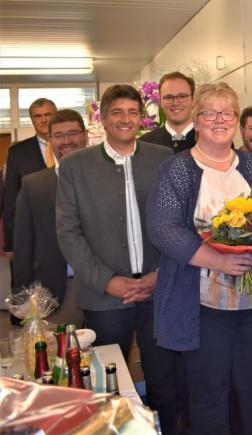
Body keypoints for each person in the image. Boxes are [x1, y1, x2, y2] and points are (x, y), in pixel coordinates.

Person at [146, 82, 252, 435]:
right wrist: (219, 260)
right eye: (210, 113)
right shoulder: (176, 170)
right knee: (209, 395)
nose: (219, 120)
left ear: (236, 120)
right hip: (203, 307)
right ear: (196, 119)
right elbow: (163, 229)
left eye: (228, 113)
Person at [55, 84, 178, 434]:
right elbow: (68, 232)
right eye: (117, 112)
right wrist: (107, 280)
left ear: (141, 118)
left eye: (132, 112)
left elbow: (179, 221)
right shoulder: (75, 166)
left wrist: (161, 273)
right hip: (105, 297)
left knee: (165, 379)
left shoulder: (162, 159)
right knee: (108, 384)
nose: (125, 119)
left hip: (159, 290)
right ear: (104, 119)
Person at [12, 109, 88, 327]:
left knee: (109, 345)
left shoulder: (107, 179)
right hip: (55, 288)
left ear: (85, 136)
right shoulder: (33, 185)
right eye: (59, 135)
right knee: (59, 347)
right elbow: (23, 245)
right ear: (50, 141)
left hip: (105, 288)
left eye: (73, 133)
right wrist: (21, 297)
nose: (66, 141)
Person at [4, 98, 56, 260]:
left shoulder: (69, 145)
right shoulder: (17, 152)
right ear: (32, 120)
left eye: (48, 114)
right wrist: (10, 243)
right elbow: (11, 198)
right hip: (34, 232)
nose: (43, 120)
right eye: (37, 116)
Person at [139, 71, 197, 153]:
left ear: (193, 100)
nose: (175, 103)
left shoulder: (210, 141)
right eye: (168, 97)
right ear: (160, 101)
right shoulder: (143, 144)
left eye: (182, 96)